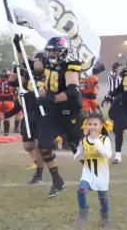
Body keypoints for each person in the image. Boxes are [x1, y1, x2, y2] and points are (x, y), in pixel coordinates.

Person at [15, 34, 85, 198]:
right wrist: (19, 46)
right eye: (50, 51)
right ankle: (57, 181)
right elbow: (26, 63)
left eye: (55, 51)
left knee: (77, 148)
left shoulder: (71, 65)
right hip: (53, 112)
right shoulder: (46, 62)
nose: (52, 54)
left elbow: (73, 91)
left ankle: (93, 174)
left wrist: (51, 98)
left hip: (70, 111)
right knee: (44, 144)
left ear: (64, 52)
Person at [8, 54, 46, 184]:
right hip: (29, 113)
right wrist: (15, 69)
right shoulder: (29, 75)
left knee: (38, 144)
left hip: (42, 113)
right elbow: (12, 81)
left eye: (38, 62)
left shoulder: (49, 76)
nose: (36, 64)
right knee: (28, 146)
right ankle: (39, 162)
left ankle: (39, 173)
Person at [73, 112, 113, 228]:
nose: (92, 127)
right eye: (90, 124)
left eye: (95, 124)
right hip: (88, 173)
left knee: (103, 198)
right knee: (81, 189)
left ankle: (105, 217)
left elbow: (107, 154)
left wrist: (96, 140)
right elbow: (80, 152)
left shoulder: (105, 140)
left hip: (102, 175)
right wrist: (77, 155)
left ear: (101, 126)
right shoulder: (84, 140)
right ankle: (83, 214)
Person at [0, 69, 15, 136]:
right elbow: (16, 92)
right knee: (7, 117)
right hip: (9, 102)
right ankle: (6, 133)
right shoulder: (11, 84)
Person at [109, 93, 127, 164]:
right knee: (118, 130)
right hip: (121, 114)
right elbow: (111, 112)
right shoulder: (118, 98)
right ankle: (118, 156)